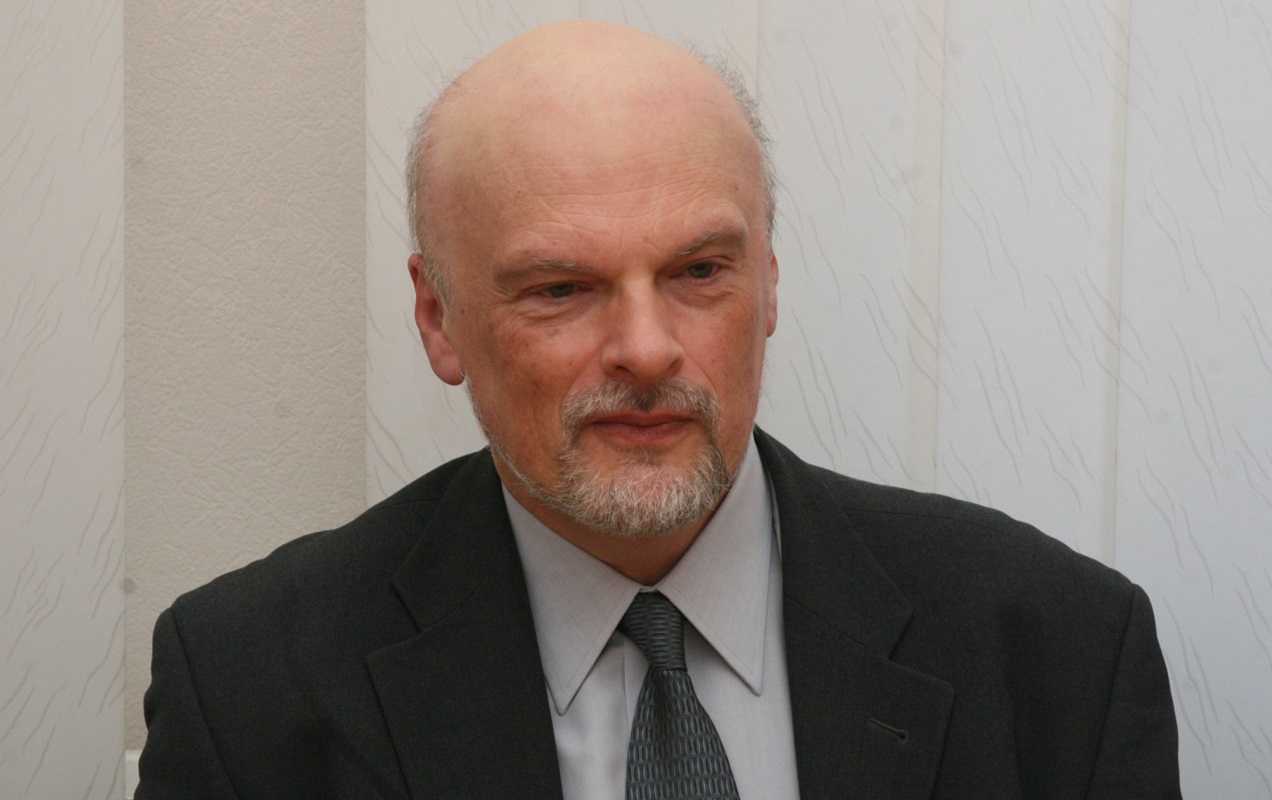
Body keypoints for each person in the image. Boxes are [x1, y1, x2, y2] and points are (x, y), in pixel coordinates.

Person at [135, 19, 1181, 799]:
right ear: (438, 317)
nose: (645, 348)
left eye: (698, 270)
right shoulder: (249, 690)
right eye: (560, 287)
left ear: (769, 281)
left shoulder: (1057, 653)